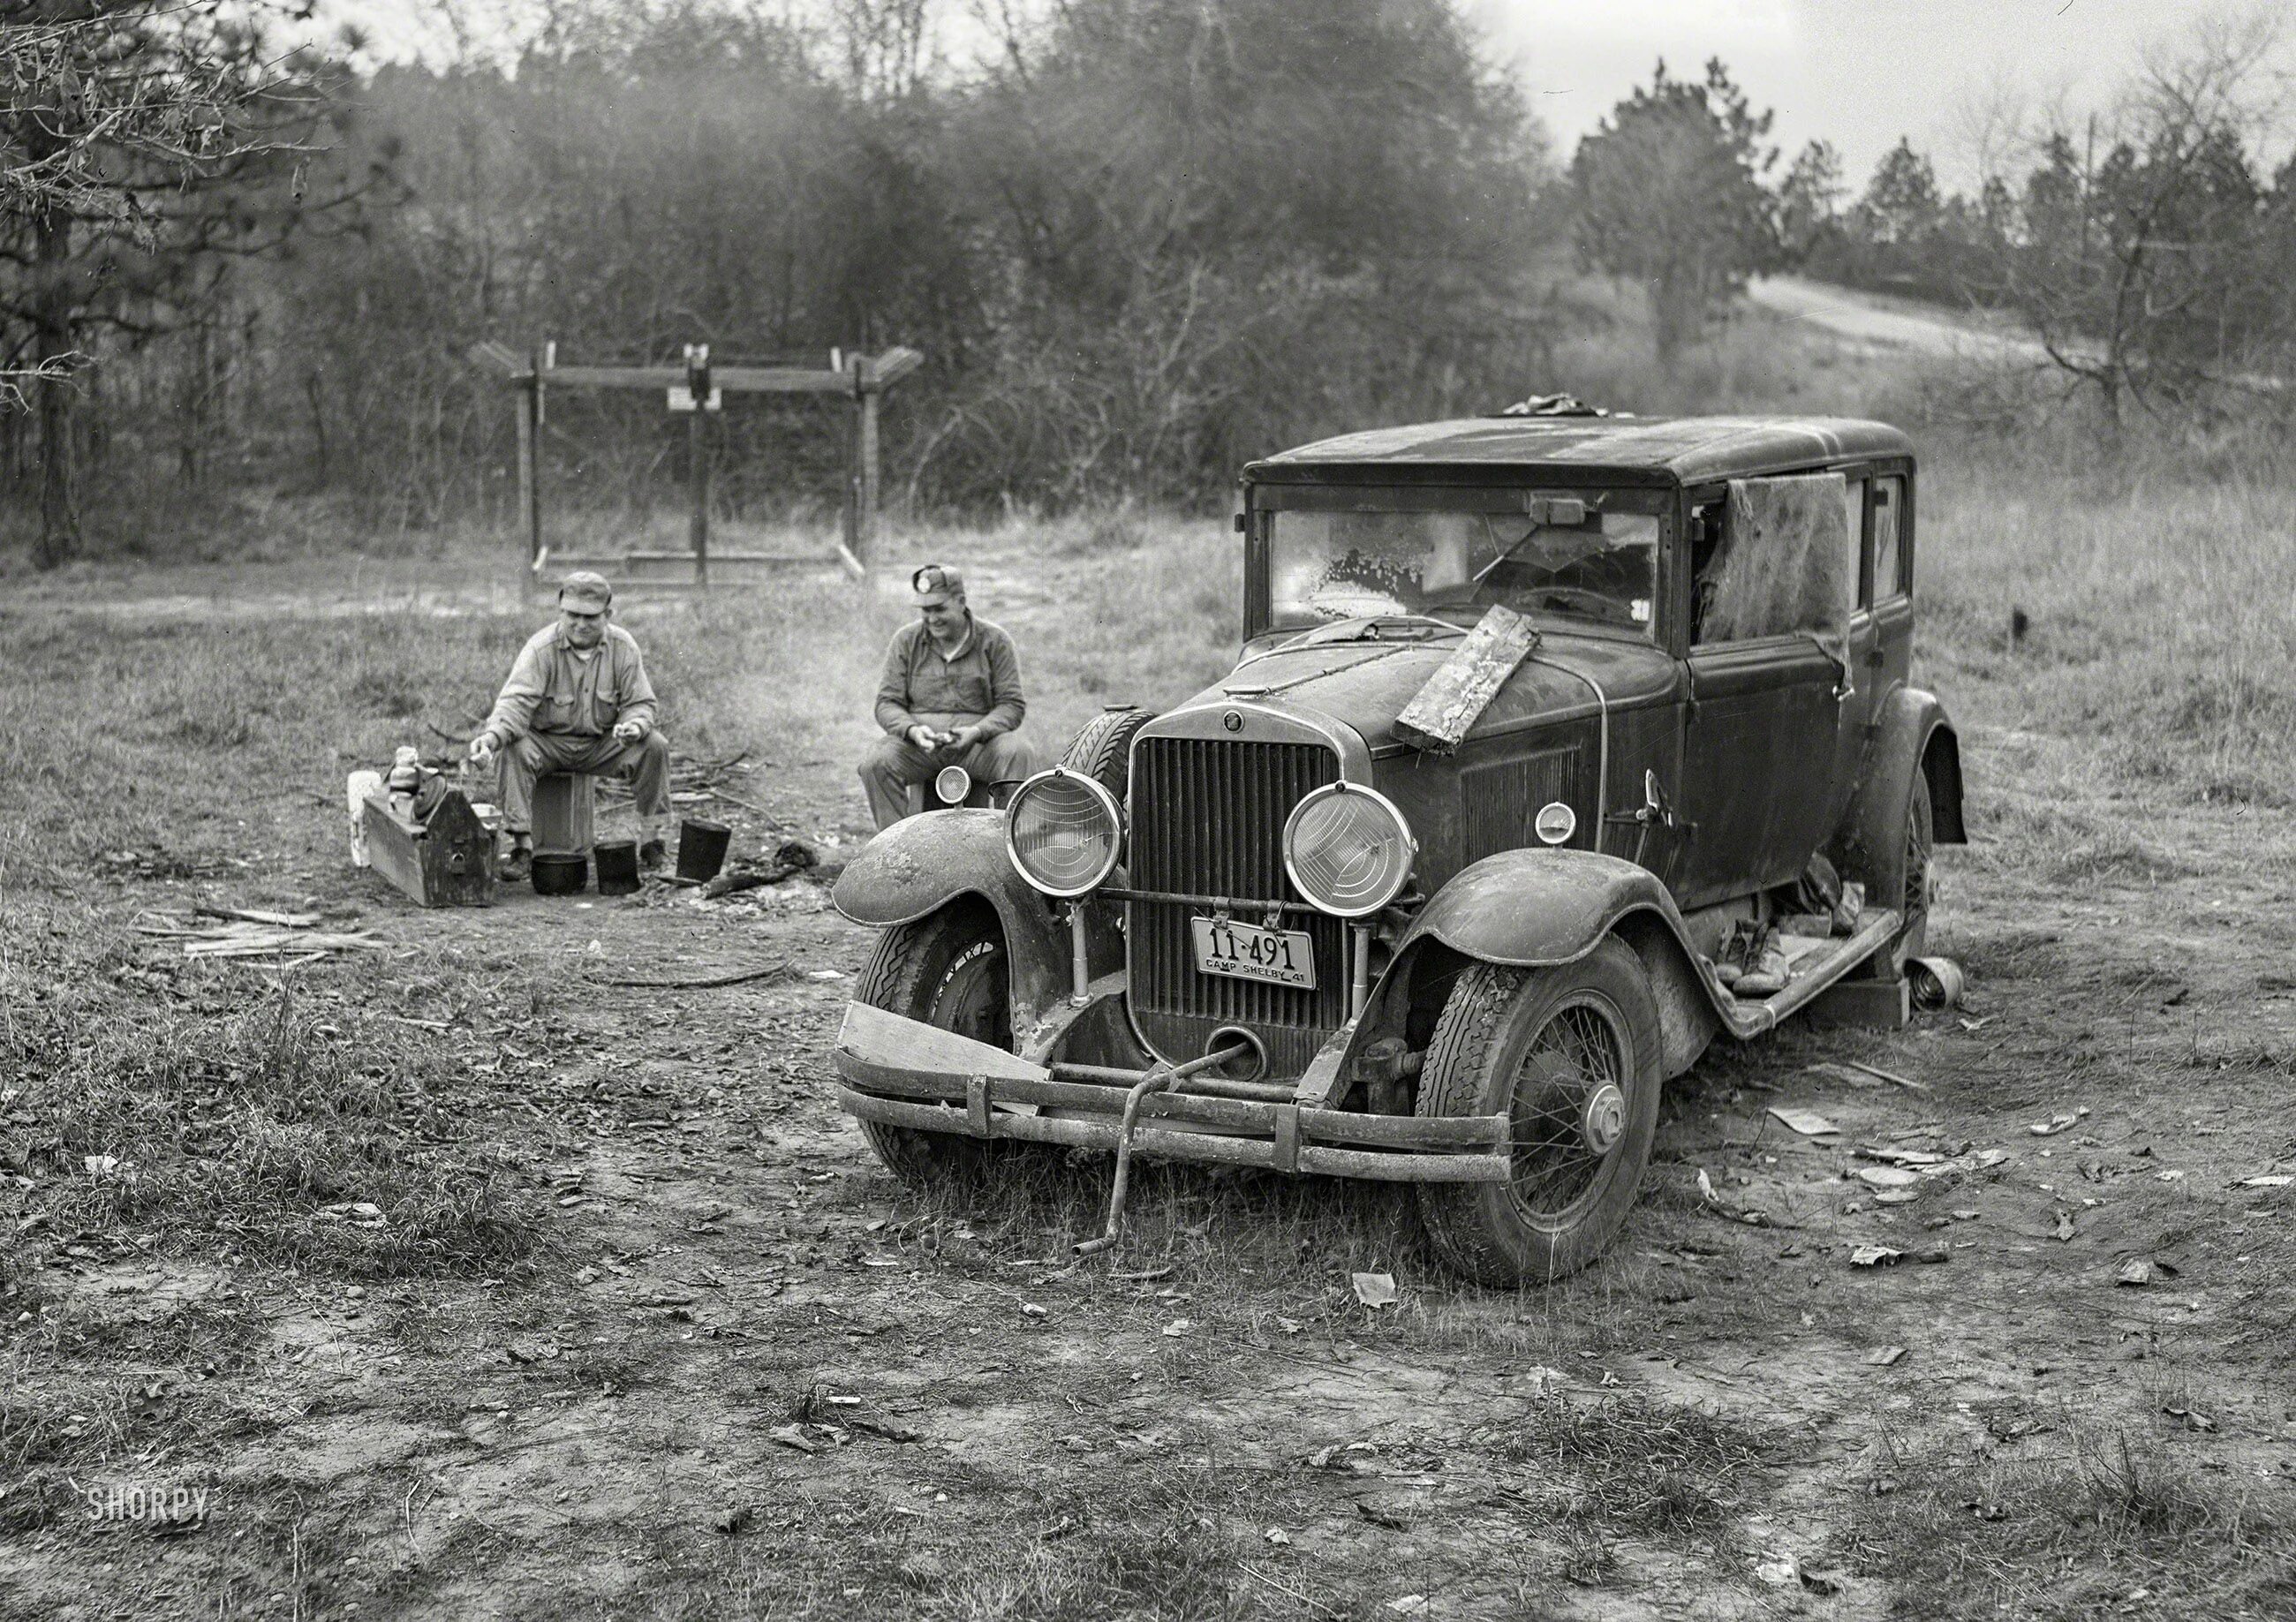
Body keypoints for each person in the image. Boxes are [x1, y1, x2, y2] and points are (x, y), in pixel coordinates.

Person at [467, 571, 671, 881]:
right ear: (561, 611)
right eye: (572, 615)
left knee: (655, 746)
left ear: (608, 615)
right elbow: (515, 705)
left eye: (590, 617)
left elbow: (641, 702)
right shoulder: (540, 649)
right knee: (514, 747)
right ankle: (522, 847)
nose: (579, 624)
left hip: (601, 744)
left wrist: (633, 725)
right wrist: (491, 739)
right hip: (548, 745)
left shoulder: (624, 647)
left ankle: (652, 841)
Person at [859, 563, 1039, 831]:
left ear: (961, 602)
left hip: (977, 746)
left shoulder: (995, 641)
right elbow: (887, 703)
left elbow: (1011, 705)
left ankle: (1013, 846)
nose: (932, 619)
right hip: (921, 747)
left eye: (939, 609)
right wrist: (912, 731)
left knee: (1018, 753)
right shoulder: (906, 641)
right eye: (926, 611)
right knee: (876, 762)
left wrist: (977, 731)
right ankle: (895, 850)